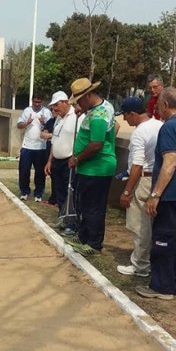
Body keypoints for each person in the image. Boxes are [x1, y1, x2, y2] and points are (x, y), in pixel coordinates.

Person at [136, 87, 176, 300]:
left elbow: (169, 163)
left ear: (165, 105)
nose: (157, 110)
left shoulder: (170, 128)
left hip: (172, 196)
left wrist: (155, 195)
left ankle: (162, 287)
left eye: (158, 106)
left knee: (163, 239)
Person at [65, 78, 117, 256]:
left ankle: (94, 243)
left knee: (92, 206)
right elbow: (115, 127)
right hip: (91, 167)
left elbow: (96, 144)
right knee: (85, 203)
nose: (78, 105)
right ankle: (84, 236)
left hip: (96, 168)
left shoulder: (98, 115)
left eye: (79, 101)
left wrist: (77, 158)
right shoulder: (102, 108)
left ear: (87, 96)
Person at [116, 97, 163, 277]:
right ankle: (149, 260)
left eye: (126, 116)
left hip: (144, 180)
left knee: (140, 225)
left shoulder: (139, 133)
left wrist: (127, 191)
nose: (125, 120)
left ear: (133, 114)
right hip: (158, 180)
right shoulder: (159, 125)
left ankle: (141, 265)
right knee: (152, 225)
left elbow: (137, 165)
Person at [44, 90, 85, 233]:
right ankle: (62, 218)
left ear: (65, 102)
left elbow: (81, 140)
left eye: (56, 105)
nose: (54, 109)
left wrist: (75, 157)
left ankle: (72, 224)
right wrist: (50, 161)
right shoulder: (58, 119)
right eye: (53, 106)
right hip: (57, 161)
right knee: (59, 192)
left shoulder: (77, 117)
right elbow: (55, 141)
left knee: (70, 192)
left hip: (69, 161)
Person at [17, 93, 52, 202]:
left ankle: (38, 193)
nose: (37, 104)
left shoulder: (46, 112)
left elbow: (51, 128)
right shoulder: (27, 111)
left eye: (39, 102)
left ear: (42, 102)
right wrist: (26, 123)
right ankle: (24, 191)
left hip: (41, 147)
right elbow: (19, 125)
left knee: (40, 172)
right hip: (27, 146)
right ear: (32, 101)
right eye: (35, 102)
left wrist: (44, 122)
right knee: (24, 170)